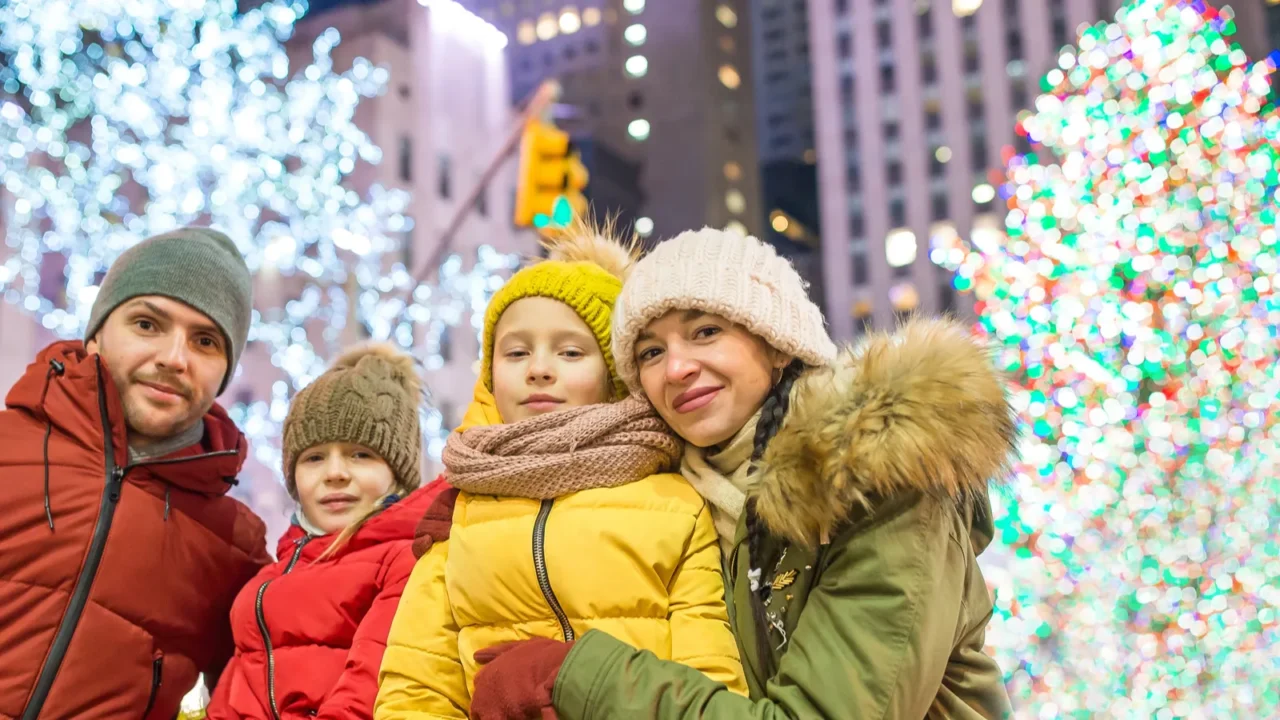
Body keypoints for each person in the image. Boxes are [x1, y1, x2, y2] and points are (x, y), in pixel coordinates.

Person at [469, 227, 1017, 719]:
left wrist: (576, 675)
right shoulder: (679, 493)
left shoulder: (879, 479)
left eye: (705, 332)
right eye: (651, 351)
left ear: (777, 343)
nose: (677, 368)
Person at [374, 220, 747, 718]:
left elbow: (708, 676)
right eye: (516, 352)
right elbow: (416, 683)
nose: (539, 369)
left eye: (571, 352)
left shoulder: (676, 504)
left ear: (615, 376)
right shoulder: (461, 513)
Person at [0, 227, 271, 720]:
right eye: (147, 324)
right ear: (97, 332)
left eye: (205, 340)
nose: (173, 358)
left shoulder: (236, 545)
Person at [206, 343, 446, 720]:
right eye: (314, 458)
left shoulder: (403, 561)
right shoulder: (267, 580)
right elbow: (233, 696)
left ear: (397, 472)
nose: (335, 473)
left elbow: (369, 686)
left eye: (360, 454)